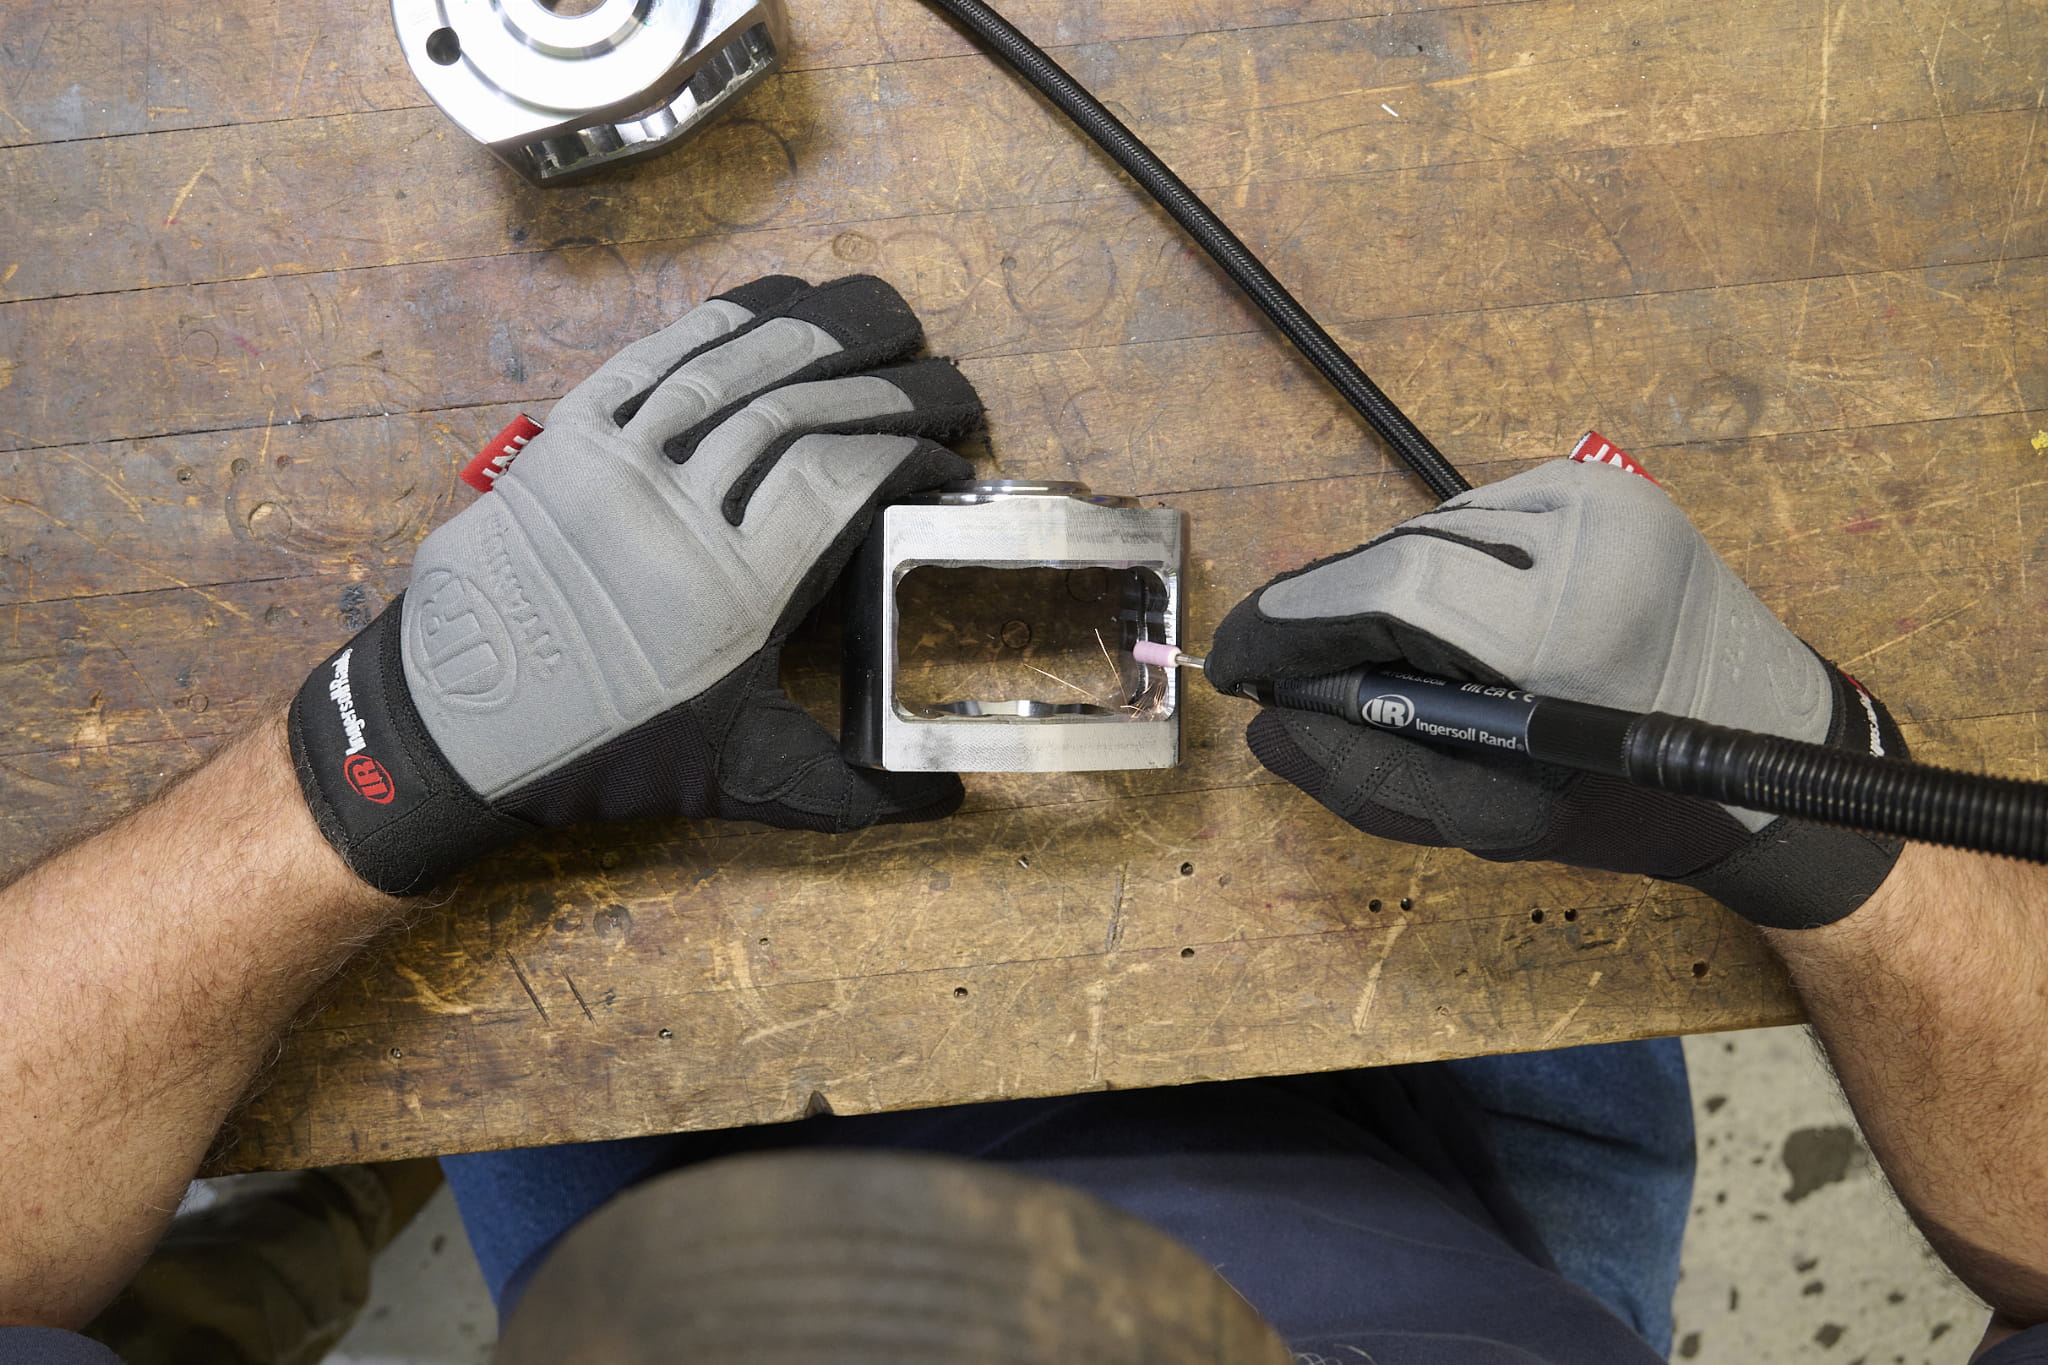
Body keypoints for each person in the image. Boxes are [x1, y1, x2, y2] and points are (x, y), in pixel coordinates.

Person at [1, 275, 2042, 1363]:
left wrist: (383, 751)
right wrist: (1819, 791)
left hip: (672, 1194)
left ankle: (344, 1204)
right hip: (1478, 1182)